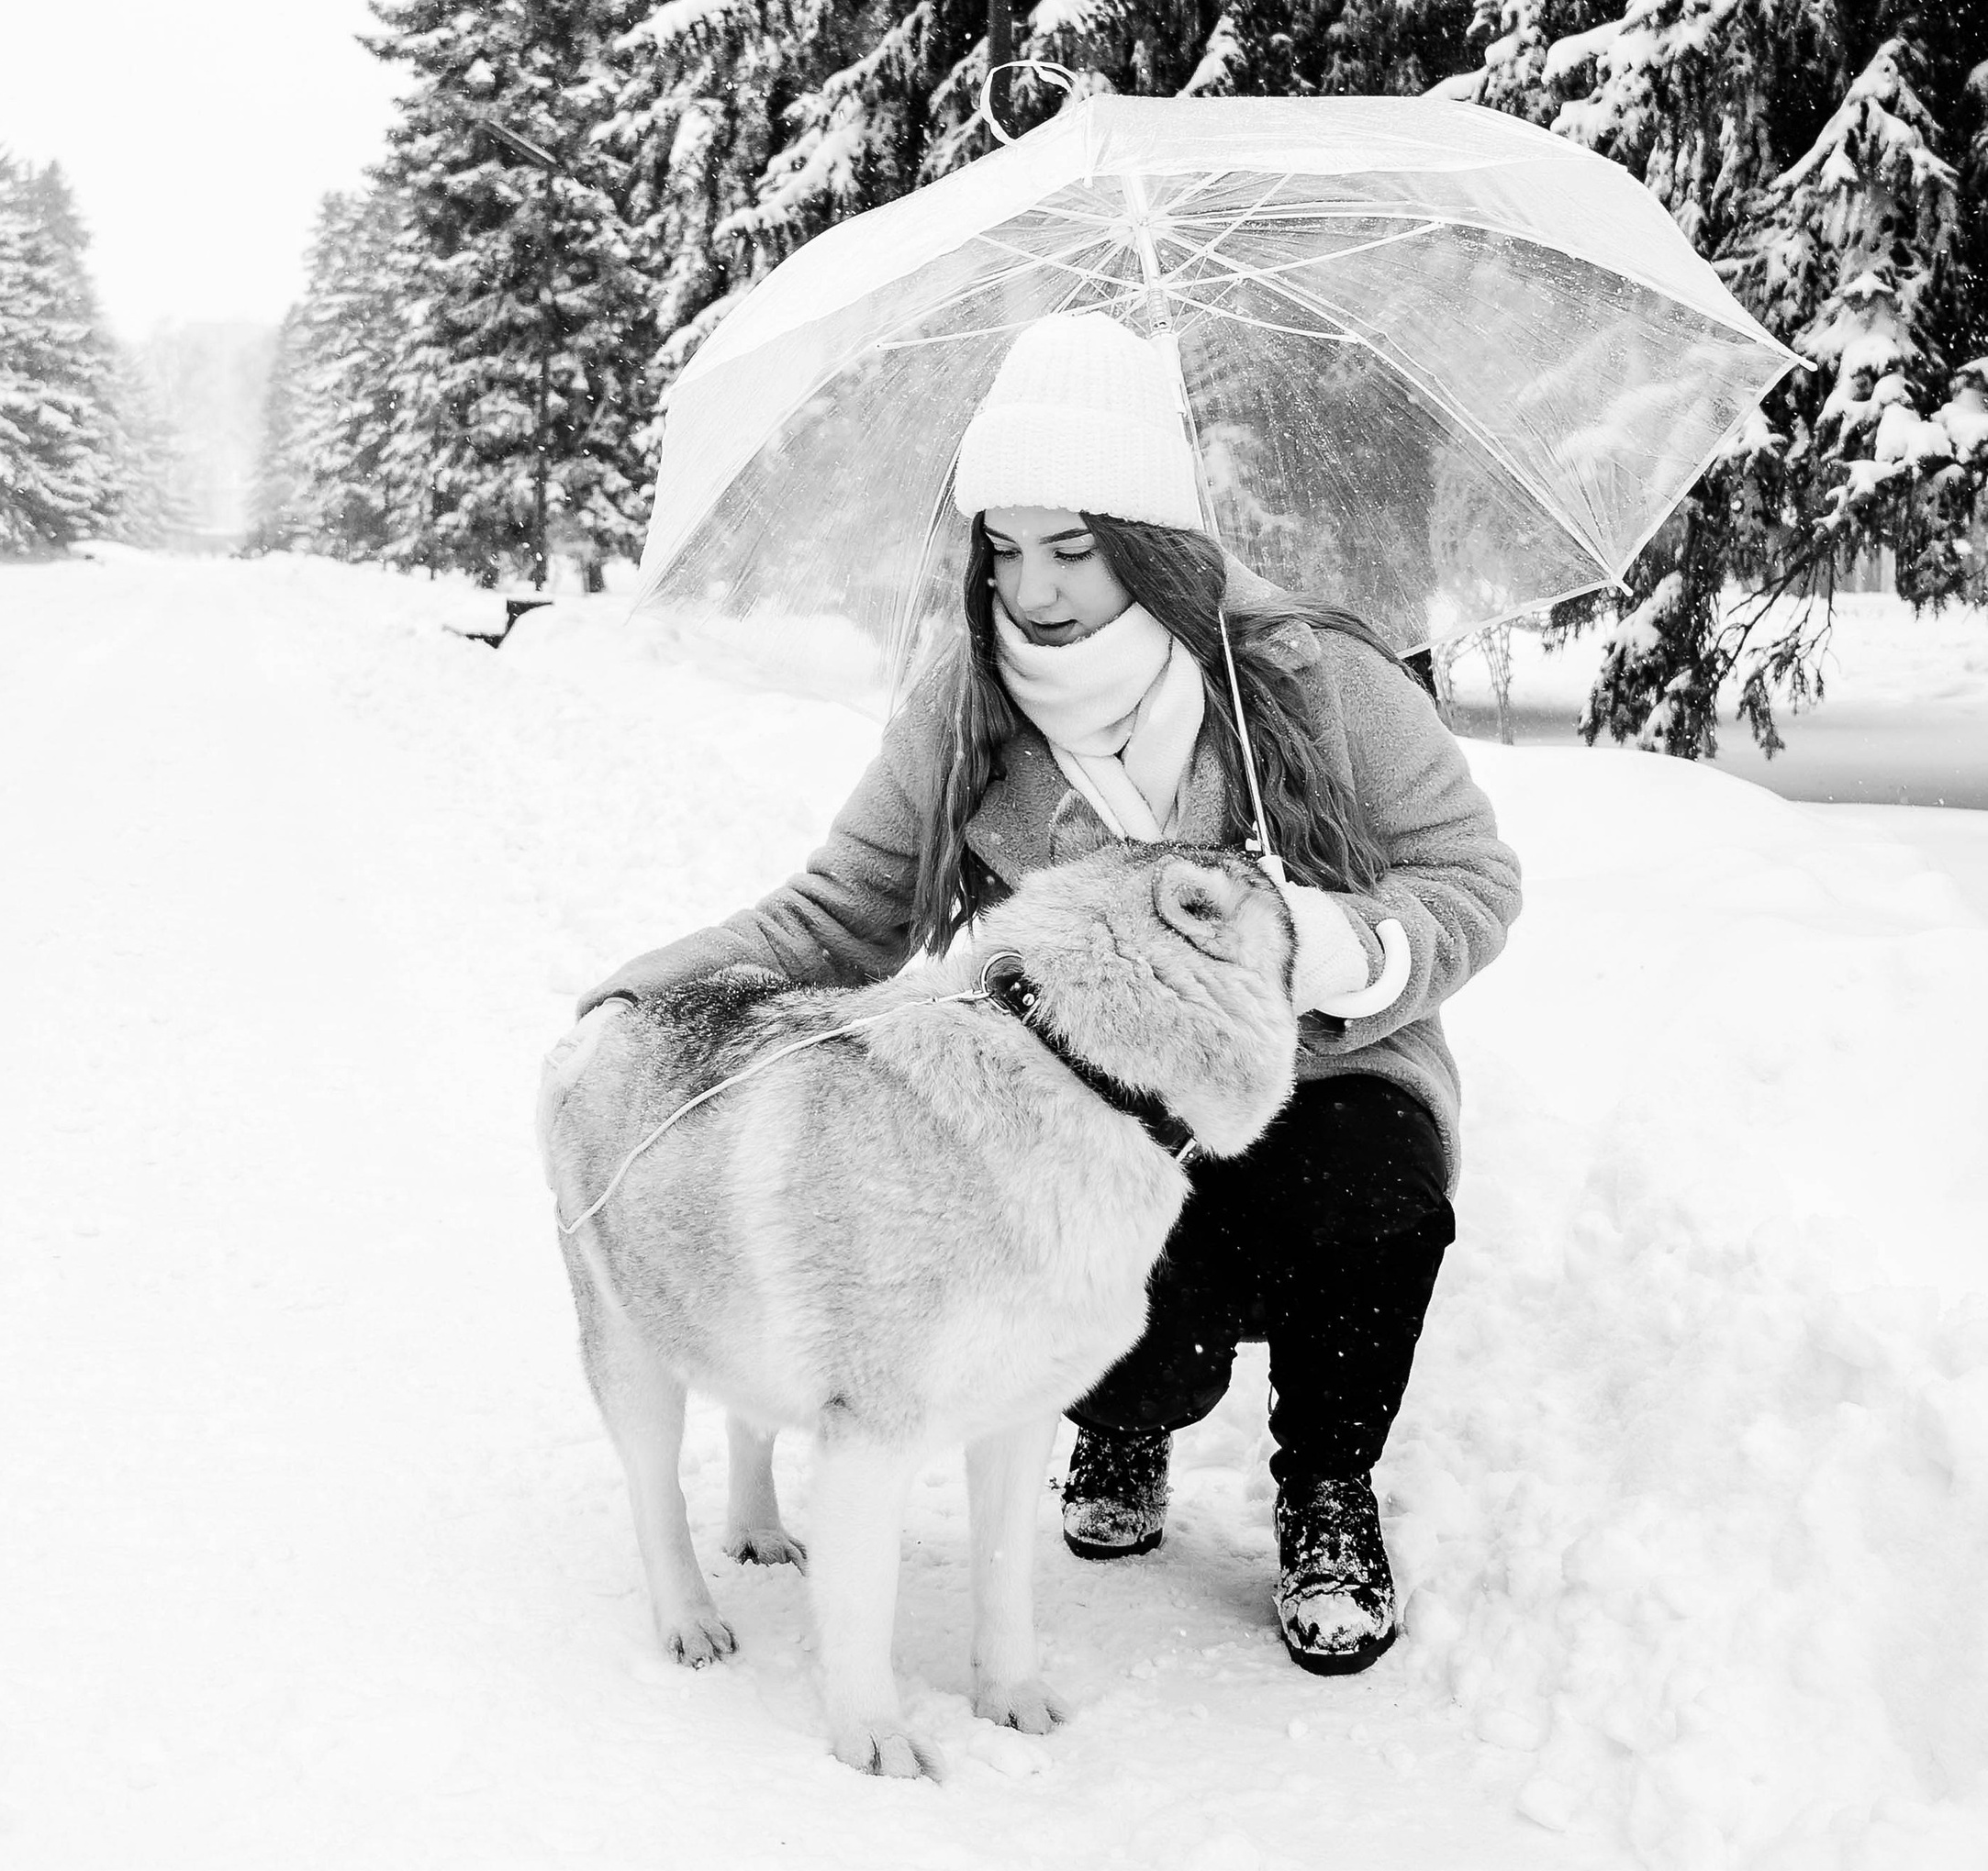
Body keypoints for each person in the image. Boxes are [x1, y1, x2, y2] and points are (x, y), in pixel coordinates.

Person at [583, 313, 1521, 1675]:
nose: (1034, 587)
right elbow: (842, 911)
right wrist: (654, 980)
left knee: (1375, 1190)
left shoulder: (1308, 676)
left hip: (1322, 1080)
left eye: (1074, 547)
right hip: (1090, 1117)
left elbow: (1470, 874)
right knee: (1117, 1317)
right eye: (1004, 547)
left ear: (1151, 536)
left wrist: (1331, 943)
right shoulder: (966, 706)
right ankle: (1124, 1419)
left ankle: (1326, 1487)